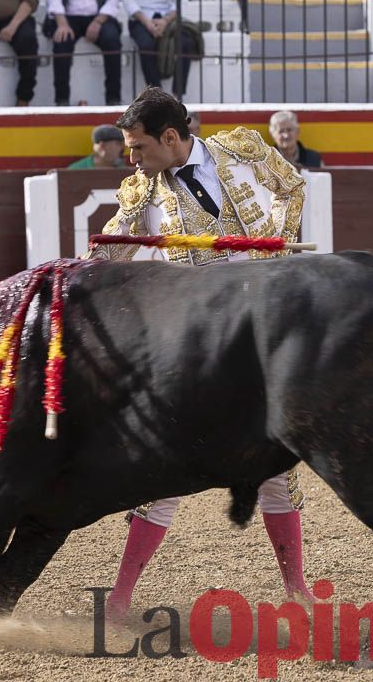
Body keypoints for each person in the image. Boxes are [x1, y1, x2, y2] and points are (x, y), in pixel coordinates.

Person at [89, 87, 309, 622]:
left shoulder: (245, 150)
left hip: (260, 332)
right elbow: (110, 249)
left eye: (139, 148)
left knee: (279, 464)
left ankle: (297, 589)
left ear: (171, 137)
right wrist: (97, 258)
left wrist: (278, 243)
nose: (132, 159)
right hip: (197, 345)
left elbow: (293, 186)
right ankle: (119, 599)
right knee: (167, 465)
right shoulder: (143, 193)